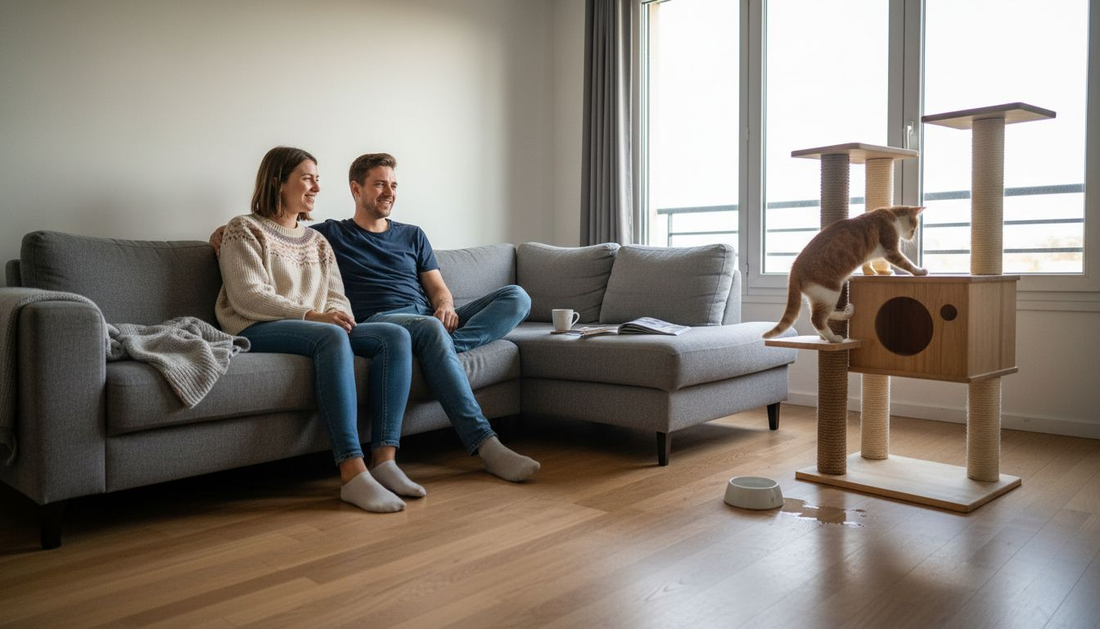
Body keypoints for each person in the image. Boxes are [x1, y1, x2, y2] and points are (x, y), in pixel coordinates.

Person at [212, 152, 539, 482]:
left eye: (393, 185)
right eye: (380, 184)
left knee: (516, 296)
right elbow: (273, 231)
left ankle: (441, 349)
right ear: (356, 189)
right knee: (426, 331)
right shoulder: (332, 234)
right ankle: (483, 438)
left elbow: (438, 287)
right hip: (383, 319)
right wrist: (227, 231)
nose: (389, 191)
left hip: (425, 318)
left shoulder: (412, 235)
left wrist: (446, 306)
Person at [216, 146, 425, 513]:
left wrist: (338, 316)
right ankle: (351, 472)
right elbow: (249, 296)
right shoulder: (244, 229)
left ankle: (386, 461)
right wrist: (313, 315)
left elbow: (336, 296)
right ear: (278, 182)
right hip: (257, 327)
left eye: (317, 179)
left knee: (394, 336)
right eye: (307, 178)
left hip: (314, 325)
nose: (315, 187)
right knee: (329, 335)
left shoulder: (317, 241)